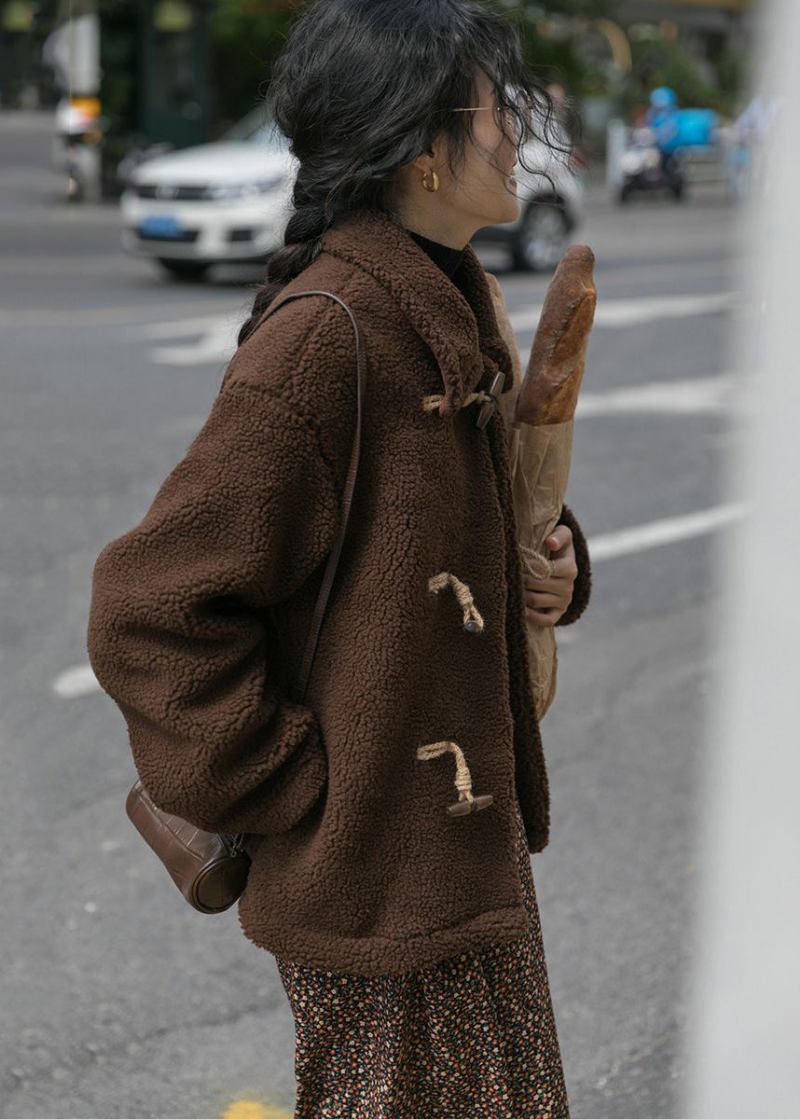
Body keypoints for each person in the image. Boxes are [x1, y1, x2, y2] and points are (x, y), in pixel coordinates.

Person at [86, 1, 593, 1115]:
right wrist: (300, 788)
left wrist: (548, 567)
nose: (517, 130)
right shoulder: (330, 336)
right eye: (490, 107)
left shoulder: (452, 307)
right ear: (418, 147)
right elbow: (149, 607)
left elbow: (439, 538)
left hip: (460, 861)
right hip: (369, 891)